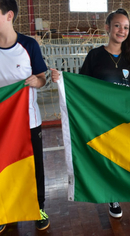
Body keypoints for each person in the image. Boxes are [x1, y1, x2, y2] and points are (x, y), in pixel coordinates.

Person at [51, 8, 130, 218]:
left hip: (125, 118)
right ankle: (112, 196)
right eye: (117, 26)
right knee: (110, 157)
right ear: (107, 28)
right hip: (102, 117)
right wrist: (62, 80)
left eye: (125, 27)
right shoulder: (95, 55)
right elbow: (82, 85)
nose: (121, 31)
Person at [0, 0, 50, 232]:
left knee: (32, 167)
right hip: (2, 122)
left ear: (9, 15)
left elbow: (42, 78)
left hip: (28, 120)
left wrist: (35, 81)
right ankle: (4, 209)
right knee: (3, 166)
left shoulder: (28, 45)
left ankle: (38, 207)